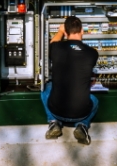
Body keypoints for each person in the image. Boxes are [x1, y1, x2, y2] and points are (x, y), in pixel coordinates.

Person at [41, 16, 99, 145]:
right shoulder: (92, 53)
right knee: (95, 100)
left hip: (57, 111)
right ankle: (82, 125)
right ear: (82, 31)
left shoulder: (56, 49)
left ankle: (53, 122)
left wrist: (60, 31)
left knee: (45, 89)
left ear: (66, 33)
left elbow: (51, 44)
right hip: (81, 113)